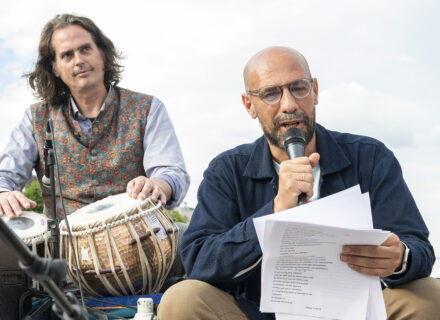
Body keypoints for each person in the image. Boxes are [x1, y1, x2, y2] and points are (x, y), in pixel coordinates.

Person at [158, 47, 439, 319]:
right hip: (259, 315)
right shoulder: (226, 170)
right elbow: (199, 261)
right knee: (183, 299)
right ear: (249, 105)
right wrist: (274, 212)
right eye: (270, 93)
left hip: (361, 312)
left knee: (431, 294)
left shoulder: (371, 157)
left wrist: (400, 258)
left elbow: (419, 247)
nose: (289, 104)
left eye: (299, 88)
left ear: (314, 91)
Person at [0, 14, 190, 218]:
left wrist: (158, 184)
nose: (79, 61)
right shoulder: (35, 118)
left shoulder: (148, 108)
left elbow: (172, 172)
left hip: (140, 239)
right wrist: (4, 194)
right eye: (67, 55)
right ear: (55, 68)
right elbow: (5, 177)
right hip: (61, 246)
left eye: (85, 49)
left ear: (103, 54)